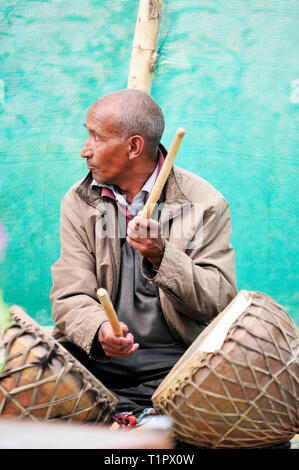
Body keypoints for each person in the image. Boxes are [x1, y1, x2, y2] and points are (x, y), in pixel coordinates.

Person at [50, 89, 237, 418]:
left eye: (95, 137)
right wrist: (99, 330)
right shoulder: (79, 201)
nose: (85, 150)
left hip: (177, 367)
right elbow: (69, 293)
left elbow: (219, 301)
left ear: (134, 146)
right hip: (97, 363)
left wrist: (162, 256)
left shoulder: (205, 203)